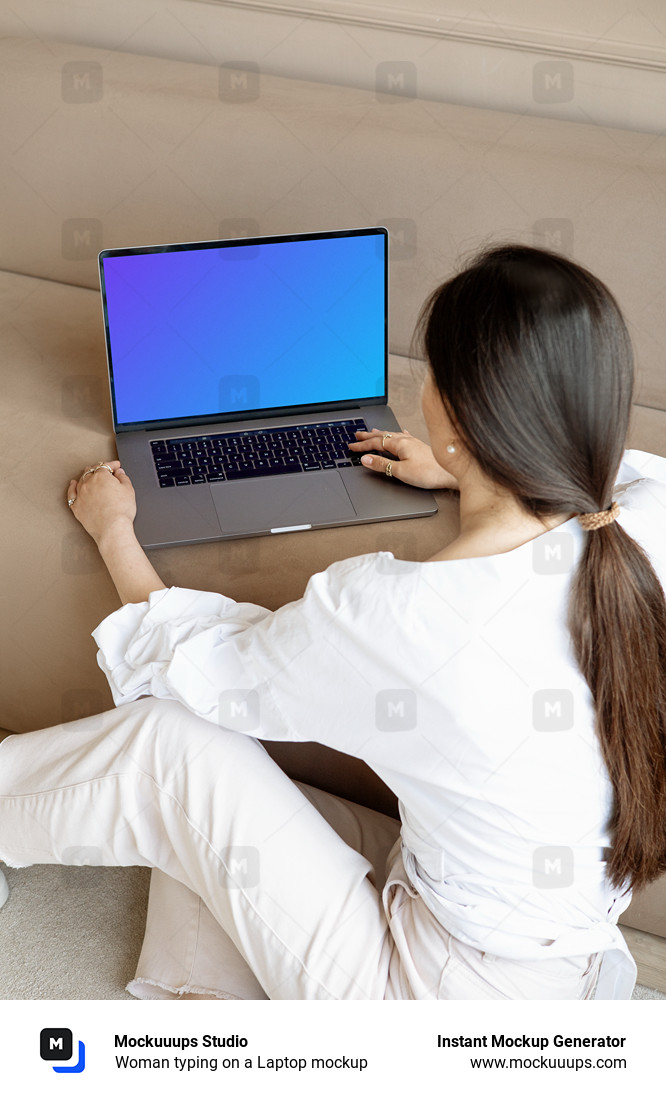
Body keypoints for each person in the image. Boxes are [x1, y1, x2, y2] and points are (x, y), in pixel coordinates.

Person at [1, 243, 665, 1000]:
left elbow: (205, 668)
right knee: (245, 803)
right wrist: (467, 466)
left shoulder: (401, 613)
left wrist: (113, 528)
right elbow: (615, 472)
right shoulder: (644, 525)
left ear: (456, 414)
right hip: (546, 961)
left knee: (169, 748)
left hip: (440, 1000)